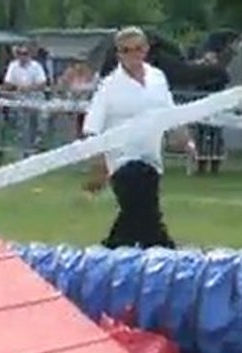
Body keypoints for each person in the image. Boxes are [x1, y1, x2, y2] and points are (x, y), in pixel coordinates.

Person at [82, 27, 196, 249]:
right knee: (146, 214)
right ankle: (165, 251)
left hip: (151, 159)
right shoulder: (109, 86)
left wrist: (186, 141)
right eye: (126, 50)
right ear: (118, 54)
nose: (133, 55)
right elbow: (92, 126)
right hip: (122, 161)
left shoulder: (157, 78)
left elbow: (170, 113)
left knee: (136, 216)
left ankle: (111, 252)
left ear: (146, 49)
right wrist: (97, 163)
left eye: (137, 49)